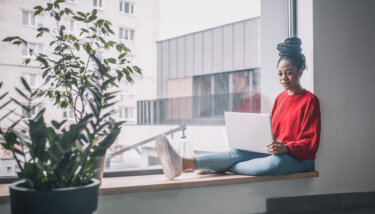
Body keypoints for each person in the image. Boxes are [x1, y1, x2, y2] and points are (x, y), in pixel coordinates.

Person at [155, 37, 321, 180]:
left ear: (300, 71)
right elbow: (273, 132)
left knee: (275, 163)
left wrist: (286, 147)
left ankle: (223, 167)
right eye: (279, 73)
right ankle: (183, 163)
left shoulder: (310, 101)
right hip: (276, 151)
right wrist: (260, 141)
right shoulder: (280, 98)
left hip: (298, 158)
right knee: (236, 152)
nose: (283, 78)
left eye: (289, 72)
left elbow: (309, 145)